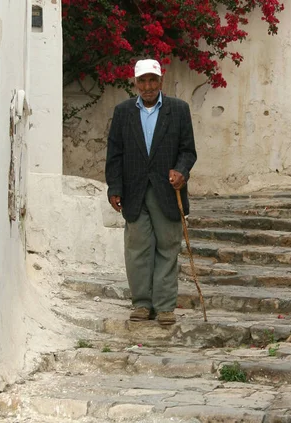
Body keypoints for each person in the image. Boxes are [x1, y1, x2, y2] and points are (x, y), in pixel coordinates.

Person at [105, 59, 197, 325]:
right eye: (142, 81)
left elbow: (188, 150)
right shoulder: (123, 112)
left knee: (168, 248)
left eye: (152, 80)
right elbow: (115, 153)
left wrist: (181, 171)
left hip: (167, 191)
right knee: (137, 249)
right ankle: (142, 304)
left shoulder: (178, 110)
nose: (147, 86)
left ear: (161, 81)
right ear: (135, 83)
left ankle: (165, 306)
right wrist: (114, 187)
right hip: (134, 192)